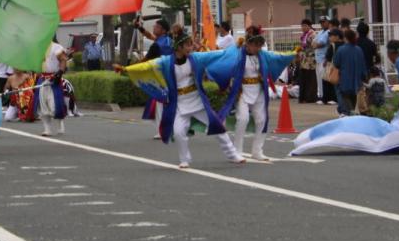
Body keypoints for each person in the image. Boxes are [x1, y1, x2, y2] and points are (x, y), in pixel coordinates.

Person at [117, 34, 244, 168]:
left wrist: (236, 47)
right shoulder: (165, 62)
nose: (191, 47)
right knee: (178, 132)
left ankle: (233, 154)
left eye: (191, 44)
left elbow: (217, 54)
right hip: (179, 104)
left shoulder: (195, 58)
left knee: (217, 126)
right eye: (188, 45)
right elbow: (146, 66)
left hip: (197, 101)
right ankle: (185, 159)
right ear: (179, 47)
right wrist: (126, 70)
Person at [209, 32, 295, 161]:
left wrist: (293, 53)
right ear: (248, 44)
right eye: (256, 45)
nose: (258, 48)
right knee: (243, 119)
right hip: (242, 91)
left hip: (259, 90)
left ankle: (257, 151)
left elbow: (279, 57)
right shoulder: (237, 54)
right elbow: (223, 56)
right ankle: (237, 151)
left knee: (262, 120)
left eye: (260, 45)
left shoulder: (262, 55)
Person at [36, 38, 69, 136]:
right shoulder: (38, 48)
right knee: (43, 106)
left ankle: (60, 123)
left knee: (55, 105)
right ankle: (47, 129)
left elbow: (63, 60)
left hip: (53, 79)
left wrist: (60, 72)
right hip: (42, 80)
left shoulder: (56, 47)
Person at [332, 29, 368, 116]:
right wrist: (364, 76)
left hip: (344, 78)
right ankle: (350, 111)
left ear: (345, 38)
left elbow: (336, 64)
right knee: (353, 97)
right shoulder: (359, 49)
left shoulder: (341, 49)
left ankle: (344, 111)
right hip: (356, 80)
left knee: (342, 95)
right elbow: (363, 64)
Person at [321, 28, 343, 106]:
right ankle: (336, 99)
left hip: (332, 67)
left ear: (337, 37)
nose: (330, 37)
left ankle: (327, 99)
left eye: (331, 36)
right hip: (342, 67)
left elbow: (328, 57)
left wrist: (325, 62)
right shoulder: (344, 44)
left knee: (328, 81)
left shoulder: (332, 45)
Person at [312, 18, 331, 102]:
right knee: (319, 78)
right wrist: (316, 44)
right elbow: (313, 43)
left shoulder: (328, 32)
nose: (322, 24)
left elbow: (321, 44)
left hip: (324, 58)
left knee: (324, 78)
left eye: (324, 22)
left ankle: (325, 96)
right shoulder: (320, 32)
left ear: (328, 22)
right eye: (321, 22)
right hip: (318, 58)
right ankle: (320, 95)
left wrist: (316, 44)